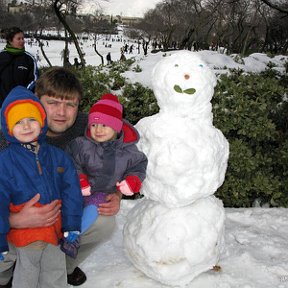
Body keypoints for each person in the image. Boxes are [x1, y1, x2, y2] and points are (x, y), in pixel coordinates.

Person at [0, 67, 122, 287]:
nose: (61, 112)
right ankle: (7, 274)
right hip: (12, 216)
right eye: (53, 102)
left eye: (70, 104)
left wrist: (117, 191)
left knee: (104, 220)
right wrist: (13, 220)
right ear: (36, 101)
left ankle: (61, 267)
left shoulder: (90, 128)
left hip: (59, 218)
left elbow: (124, 154)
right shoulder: (8, 133)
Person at [0, 86, 83, 288]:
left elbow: (71, 191)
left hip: (54, 229)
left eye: (32, 119)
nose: (26, 126)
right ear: (9, 127)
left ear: (41, 122)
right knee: (28, 274)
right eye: (19, 122)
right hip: (26, 234)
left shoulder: (57, 156)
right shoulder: (5, 162)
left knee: (55, 271)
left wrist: (71, 224)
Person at [63, 94, 148, 257]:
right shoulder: (82, 145)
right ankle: (65, 230)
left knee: (96, 207)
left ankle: (73, 236)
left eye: (104, 125)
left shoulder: (128, 152)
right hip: (77, 190)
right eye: (94, 124)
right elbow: (71, 161)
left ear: (117, 127)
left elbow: (139, 165)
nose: (98, 129)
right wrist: (79, 179)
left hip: (102, 194)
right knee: (69, 205)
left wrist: (132, 181)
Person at [0, 27, 38, 108]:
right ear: (10, 41)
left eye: (23, 38)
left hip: (21, 103)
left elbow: (34, 79)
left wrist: (23, 93)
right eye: (19, 39)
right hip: (2, 103)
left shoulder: (29, 58)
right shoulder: (1, 56)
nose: (22, 41)